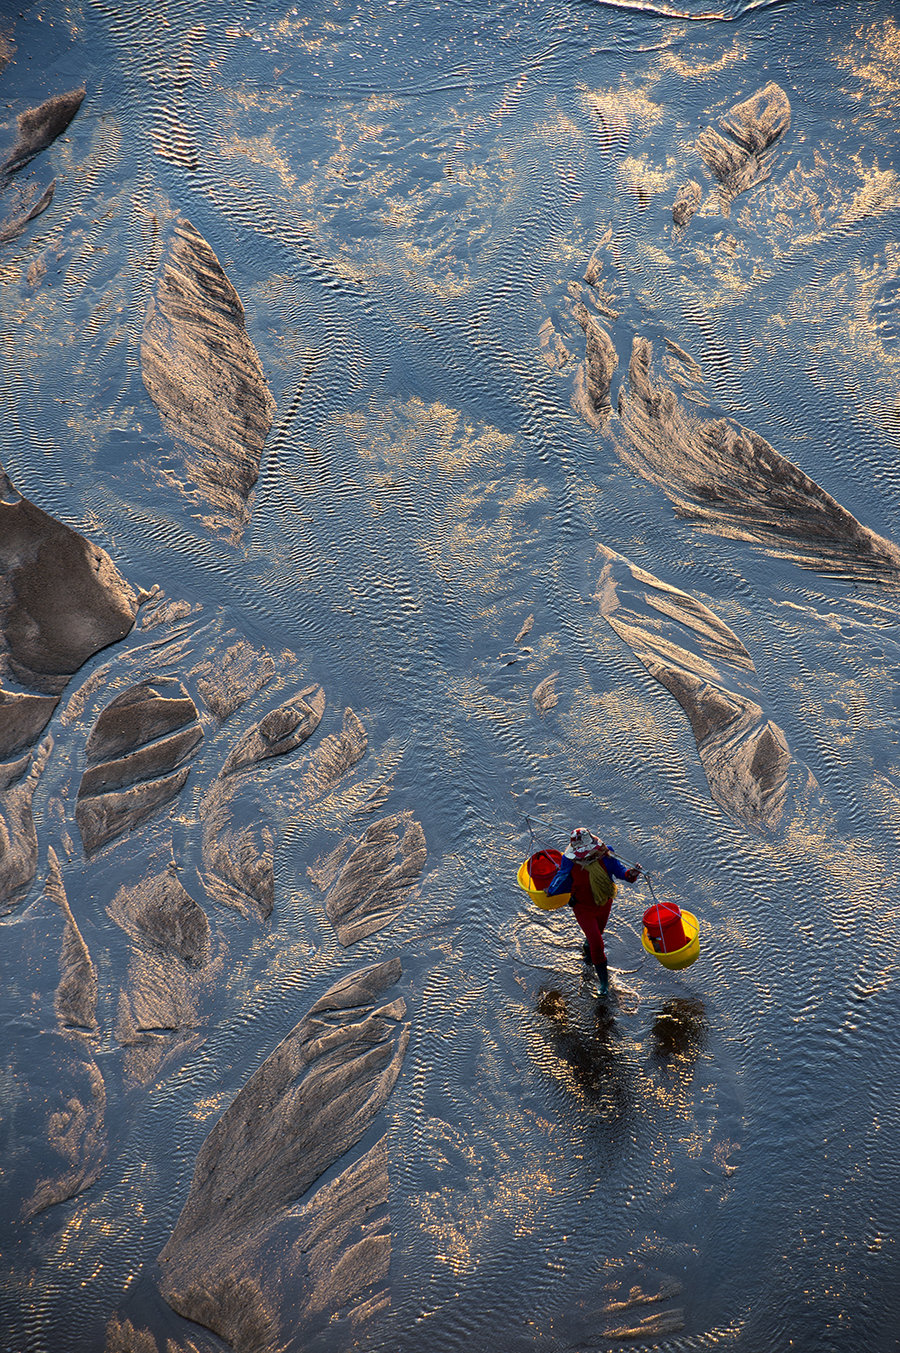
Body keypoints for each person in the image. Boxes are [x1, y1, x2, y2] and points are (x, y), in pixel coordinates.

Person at [546, 827, 641, 996]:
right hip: (583, 908)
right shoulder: (569, 861)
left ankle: (587, 946)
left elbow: (621, 873)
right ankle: (604, 984)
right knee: (598, 945)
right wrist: (550, 891)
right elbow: (561, 876)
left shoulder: (606, 855)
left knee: (596, 936)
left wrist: (631, 873)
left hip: (604, 903)